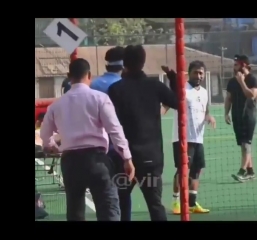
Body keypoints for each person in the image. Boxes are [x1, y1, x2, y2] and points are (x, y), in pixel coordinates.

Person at [40, 58, 135, 221]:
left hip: (70, 161)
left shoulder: (56, 105)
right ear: (89, 75)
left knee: (75, 210)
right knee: (108, 209)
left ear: (69, 76)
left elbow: (44, 134)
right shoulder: (100, 98)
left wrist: (52, 146)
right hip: (96, 159)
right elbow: (115, 129)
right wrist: (127, 158)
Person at [108, 45, 177, 221]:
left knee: (121, 203)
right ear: (143, 61)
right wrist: (173, 79)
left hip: (124, 160)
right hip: (150, 160)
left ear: (125, 63)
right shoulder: (155, 86)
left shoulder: (116, 89)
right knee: (155, 204)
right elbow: (179, 102)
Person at [161, 61, 216, 214]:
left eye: (201, 73)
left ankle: (192, 204)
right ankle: (176, 202)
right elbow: (167, 103)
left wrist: (209, 117)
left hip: (199, 139)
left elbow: (206, 110)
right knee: (182, 170)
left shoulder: (204, 92)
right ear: (189, 73)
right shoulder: (182, 90)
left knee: (197, 171)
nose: (198, 76)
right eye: (195, 73)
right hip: (182, 138)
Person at [90, 46, 132, 220]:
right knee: (123, 194)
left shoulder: (94, 85)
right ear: (124, 64)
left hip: (98, 150)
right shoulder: (125, 86)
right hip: (121, 149)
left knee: (103, 195)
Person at [224, 55, 257, 182]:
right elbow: (228, 98)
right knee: (243, 144)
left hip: (249, 117)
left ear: (243, 65)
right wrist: (226, 113)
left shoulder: (252, 79)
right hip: (236, 116)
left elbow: (252, 95)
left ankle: (242, 171)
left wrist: (242, 82)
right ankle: (251, 172)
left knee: (246, 144)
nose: (234, 67)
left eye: (236, 64)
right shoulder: (232, 81)